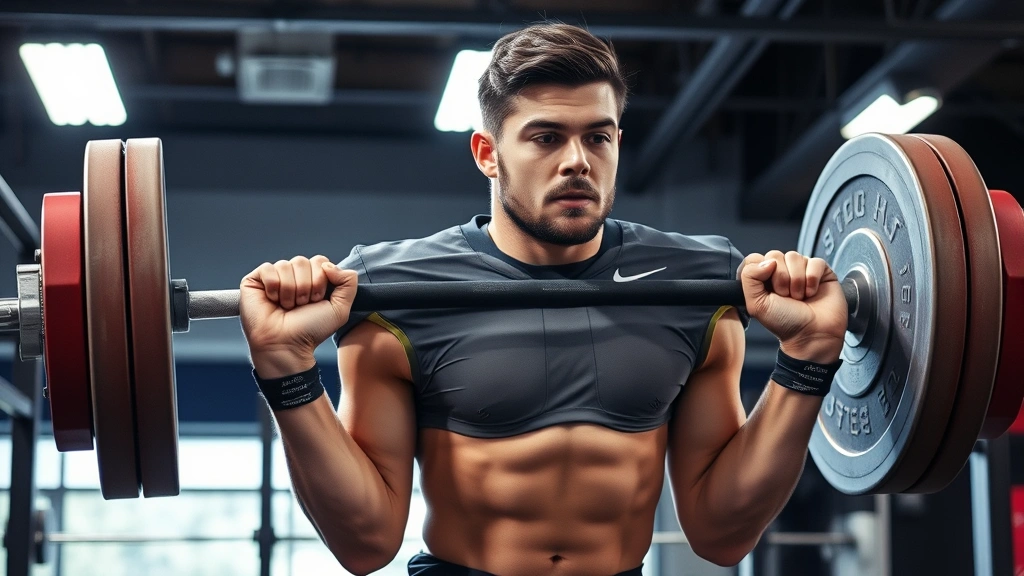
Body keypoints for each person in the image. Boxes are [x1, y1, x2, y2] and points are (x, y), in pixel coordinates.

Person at [238, 23, 847, 576]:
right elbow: (366, 544)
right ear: (488, 154)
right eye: (546, 137)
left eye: (598, 138)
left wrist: (809, 358)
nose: (577, 162)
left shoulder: (699, 281)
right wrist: (286, 369)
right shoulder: (396, 289)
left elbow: (721, 535)